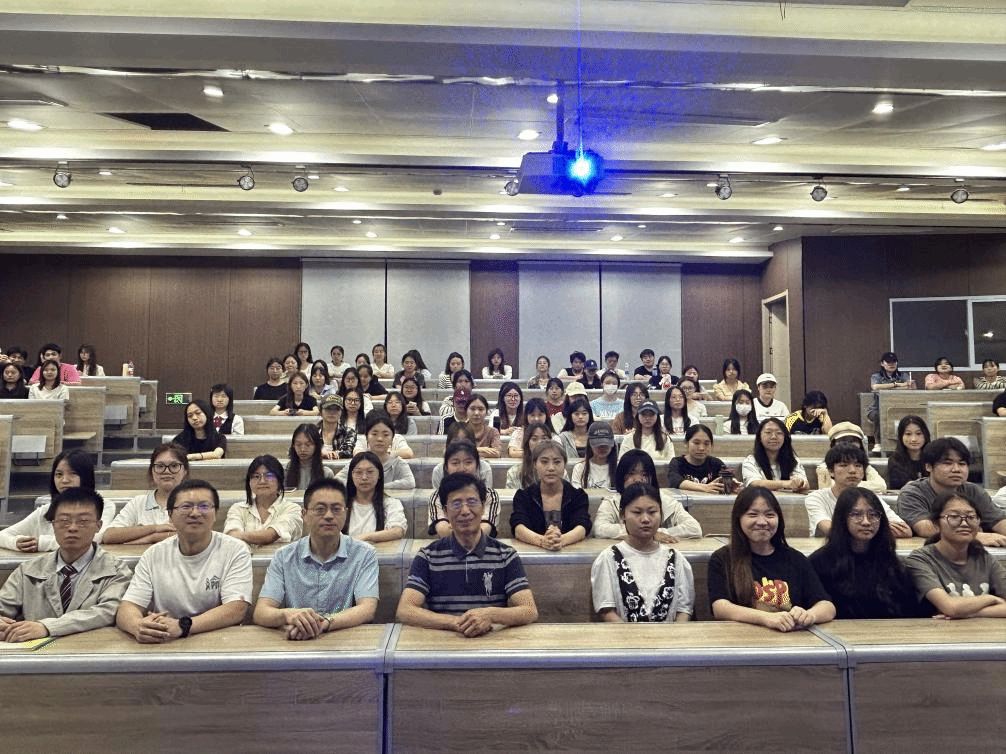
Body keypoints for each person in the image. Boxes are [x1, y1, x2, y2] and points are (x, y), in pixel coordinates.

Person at [397, 472, 538, 636]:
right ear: (445, 511)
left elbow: (529, 610)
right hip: (444, 642)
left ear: (483, 507)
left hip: (491, 642)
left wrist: (489, 615)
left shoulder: (506, 555)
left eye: (472, 502)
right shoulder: (428, 557)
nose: (465, 511)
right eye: (456, 504)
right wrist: (456, 623)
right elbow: (405, 610)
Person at [116, 479, 253, 642]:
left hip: (217, 641)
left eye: (204, 506)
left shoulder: (235, 550)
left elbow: (236, 609)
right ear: (170, 515)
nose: (195, 513)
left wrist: (183, 626)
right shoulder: (154, 554)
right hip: (165, 639)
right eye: (186, 507)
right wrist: (137, 626)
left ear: (215, 513)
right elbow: (128, 606)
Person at [0, 488, 133, 642]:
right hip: (34, 653)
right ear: (53, 525)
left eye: (83, 521)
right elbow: (3, 606)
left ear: (98, 526)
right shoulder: (28, 570)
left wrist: (47, 627)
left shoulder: (117, 570)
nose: (72, 528)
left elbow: (108, 611)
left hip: (89, 651)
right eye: (64, 521)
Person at [253, 478, 379, 638]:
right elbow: (261, 612)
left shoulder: (364, 554)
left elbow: (367, 609)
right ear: (304, 515)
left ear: (346, 513)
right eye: (320, 509)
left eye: (336, 509)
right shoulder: (284, 557)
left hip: (344, 640)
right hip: (297, 641)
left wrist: (323, 623)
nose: (329, 516)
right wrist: (288, 615)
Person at [708, 487, 836, 631]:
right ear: (738, 519)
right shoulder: (722, 559)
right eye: (752, 515)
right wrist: (766, 618)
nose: (762, 522)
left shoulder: (796, 559)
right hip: (742, 638)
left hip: (789, 639)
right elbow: (720, 607)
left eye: (769, 515)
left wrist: (809, 615)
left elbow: (827, 606)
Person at [808, 488, 924, 619]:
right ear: (842, 518)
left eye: (873, 515)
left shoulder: (892, 563)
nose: (866, 522)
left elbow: (910, 610)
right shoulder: (819, 563)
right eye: (856, 514)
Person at [590, 483, 695, 623]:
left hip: (670, 635)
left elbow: (683, 611)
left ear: (661, 514)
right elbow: (607, 612)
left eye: (652, 512)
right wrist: (635, 636)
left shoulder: (676, 559)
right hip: (623, 634)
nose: (645, 519)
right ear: (623, 515)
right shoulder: (608, 558)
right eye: (637, 512)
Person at [904, 492, 1006, 618]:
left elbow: (952, 611)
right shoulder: (920, 560)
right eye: (954, 517)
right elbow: (950, 607)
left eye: (971, 517)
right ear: (936, 523)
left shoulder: (984, 558)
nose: (964, 523)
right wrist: (991, 599)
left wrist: (969, 613)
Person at [895, 437, 1006, 546]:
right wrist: (974, 536)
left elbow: (998, 522)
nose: (956, 469)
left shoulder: (974, 491)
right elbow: (925, 528)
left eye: (962, 464)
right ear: (929, 467)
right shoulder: (912, 493)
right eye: (948, 463)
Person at [0, 449, 114, 552]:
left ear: (86, 477)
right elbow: (2, 535)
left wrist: (41, 544)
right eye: (59, 474)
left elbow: (94, 538)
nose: (64, 480)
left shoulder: (104, 506)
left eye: (73, 474)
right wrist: (17, 542)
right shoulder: (45, 511)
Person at [804, 444, 910, 538]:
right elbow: (830, 529)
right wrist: (879, 527)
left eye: (858, 466)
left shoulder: (871, 497)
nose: (852, 471)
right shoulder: (816, 498)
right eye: (844, 465)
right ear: (831, 471)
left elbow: (905, 530)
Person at [594, 450, 701, 541]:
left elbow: (694, 528)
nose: (637, 479)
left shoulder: (665, 500)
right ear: (621, 476)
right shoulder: (611, 502)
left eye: (644, 474)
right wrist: (645, 533)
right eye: (631, 474)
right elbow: (600, 529)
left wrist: (656, 533)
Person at [510, 440, 591, 550]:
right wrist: (542, 541)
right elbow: (518, 528)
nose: (551, 468)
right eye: (544, 462)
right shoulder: (523, 496)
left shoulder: (578, 496)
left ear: (564, 464)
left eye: (557, 462)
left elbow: (582, 526)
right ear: (535, 464)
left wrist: (561, 540)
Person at [103, 443, 188, 545]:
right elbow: (108, 536)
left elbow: (196, 535)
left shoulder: (194, 502)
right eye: (160, 466)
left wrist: (152, 538)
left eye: (174, 466)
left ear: (185, 471)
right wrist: (154, 529)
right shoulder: (139, 502)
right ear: (152, 471)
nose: (166, 471)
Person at [225, 455, 303, 546]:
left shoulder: (292, 509)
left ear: (280, 480)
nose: (262, 481)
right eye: (256, 476)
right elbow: (231, 537)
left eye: (269, 476)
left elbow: (270, 535)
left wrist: (241, 535)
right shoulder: (238, 509)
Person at [428, 439, 501, 537]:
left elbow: (484, 530)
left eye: (468, 462)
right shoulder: (437, 496)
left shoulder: (490, 495)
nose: (462, 469)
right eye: (455, 463)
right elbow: (444, 532)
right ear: (446, 467)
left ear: (477, 465)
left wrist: (455, 527)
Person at [340, 451, 408, 543]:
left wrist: (364, 538)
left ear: (379, 474)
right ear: (351, 475)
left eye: (370, 472)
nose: (364, 477)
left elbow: (397, 531)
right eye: (358, 472)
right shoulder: (341, 504)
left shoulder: (390, 503)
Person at [813, 422, 888, 493]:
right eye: (843, 441)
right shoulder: (824, 467)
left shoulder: (863, 466)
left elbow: (881, 486)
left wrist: (847, 483)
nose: (848, 445)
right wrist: (856, 484)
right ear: (833, 444)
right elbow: (829, 488)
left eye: (853, 441)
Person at [741, 418, 809, 492]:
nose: (774, 437)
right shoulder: (751, 461)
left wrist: (801, 484)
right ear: (759, 437)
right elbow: (754, 484)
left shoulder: (793, 460)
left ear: (785, 437)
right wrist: (786, 484)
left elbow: (803, 482)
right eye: (768, 432)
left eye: (779, 433)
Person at [668, 424, 740, 494]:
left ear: (712, 445)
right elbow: (675, 481)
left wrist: (733, 484)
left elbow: (728, 475)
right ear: (686, 443)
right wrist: (705, 487)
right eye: (696, 443)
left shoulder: (716, 463)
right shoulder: (677, 462)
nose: (701, 448)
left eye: (706, 444)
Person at [350, 411, 416, 488]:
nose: (380, 439)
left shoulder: (398, 463)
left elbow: (410, 482)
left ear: (392, 438)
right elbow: (339, 480)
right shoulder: (357, 462)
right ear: (367, 437)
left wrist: (378, 487)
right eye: (374, 434)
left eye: (385, 435)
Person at [886, 415, 930, 490]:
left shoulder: (934, 458)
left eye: (918, 434)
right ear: (901, 436)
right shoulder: (895, 460)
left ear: (925, 435)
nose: (913, 439)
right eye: (908, 434)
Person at [506, 423, 555, 490]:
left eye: (544, 438)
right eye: (534, 439)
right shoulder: (514, 472)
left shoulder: (559, 471)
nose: (539, 443)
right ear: (527, 443)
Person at [286, 423, 335, 489]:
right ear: (293, 445)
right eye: (298, 445)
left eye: (308, 445)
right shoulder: (285, 472)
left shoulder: (326, 474)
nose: (303, 449)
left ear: (316, 446)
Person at [571, 422, 618, 490]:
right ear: (590, 444)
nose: (602, 448)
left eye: (606, 445)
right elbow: (576, 494)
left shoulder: (619, 467)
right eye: (598, 445)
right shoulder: (580, 468)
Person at [464, 393, 501, 458]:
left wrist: (467, 451)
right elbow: (451, 452)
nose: (476, 413)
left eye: (481, 409)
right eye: (472, 409)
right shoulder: (458, 430)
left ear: (486, 412)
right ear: (466, 411)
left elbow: (497, 453)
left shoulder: (493, 432)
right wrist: (480, 449)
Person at [317, 394, 353, 459]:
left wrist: (330, 454)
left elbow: (348, 452)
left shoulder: (348, 432)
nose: (332, 412)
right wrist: (322, 453)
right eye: (328, 409)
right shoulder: (312, 431)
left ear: (341, 412)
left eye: (337, 409)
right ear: (320, 411)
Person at [340, 388, 367, 452]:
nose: (352, 403)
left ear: (361, 402)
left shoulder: (367, 418)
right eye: (349, 400)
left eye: (356, 400)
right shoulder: (338, 418)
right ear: (344, 401)